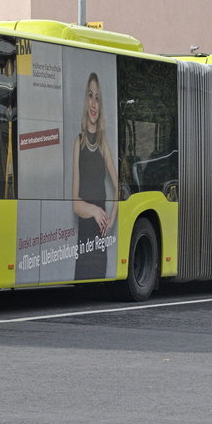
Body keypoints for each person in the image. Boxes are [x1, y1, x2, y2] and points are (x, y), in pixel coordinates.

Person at [72, 72, 119, 280]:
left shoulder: (103, 144)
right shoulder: (78, 142)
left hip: (100, 239)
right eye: (90, 96)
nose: (94, 103)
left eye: (97, 97)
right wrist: (94, 210)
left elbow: (118, 187)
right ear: (85, 101)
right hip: (85, 235)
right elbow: (75, 203)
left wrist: (112, 219)